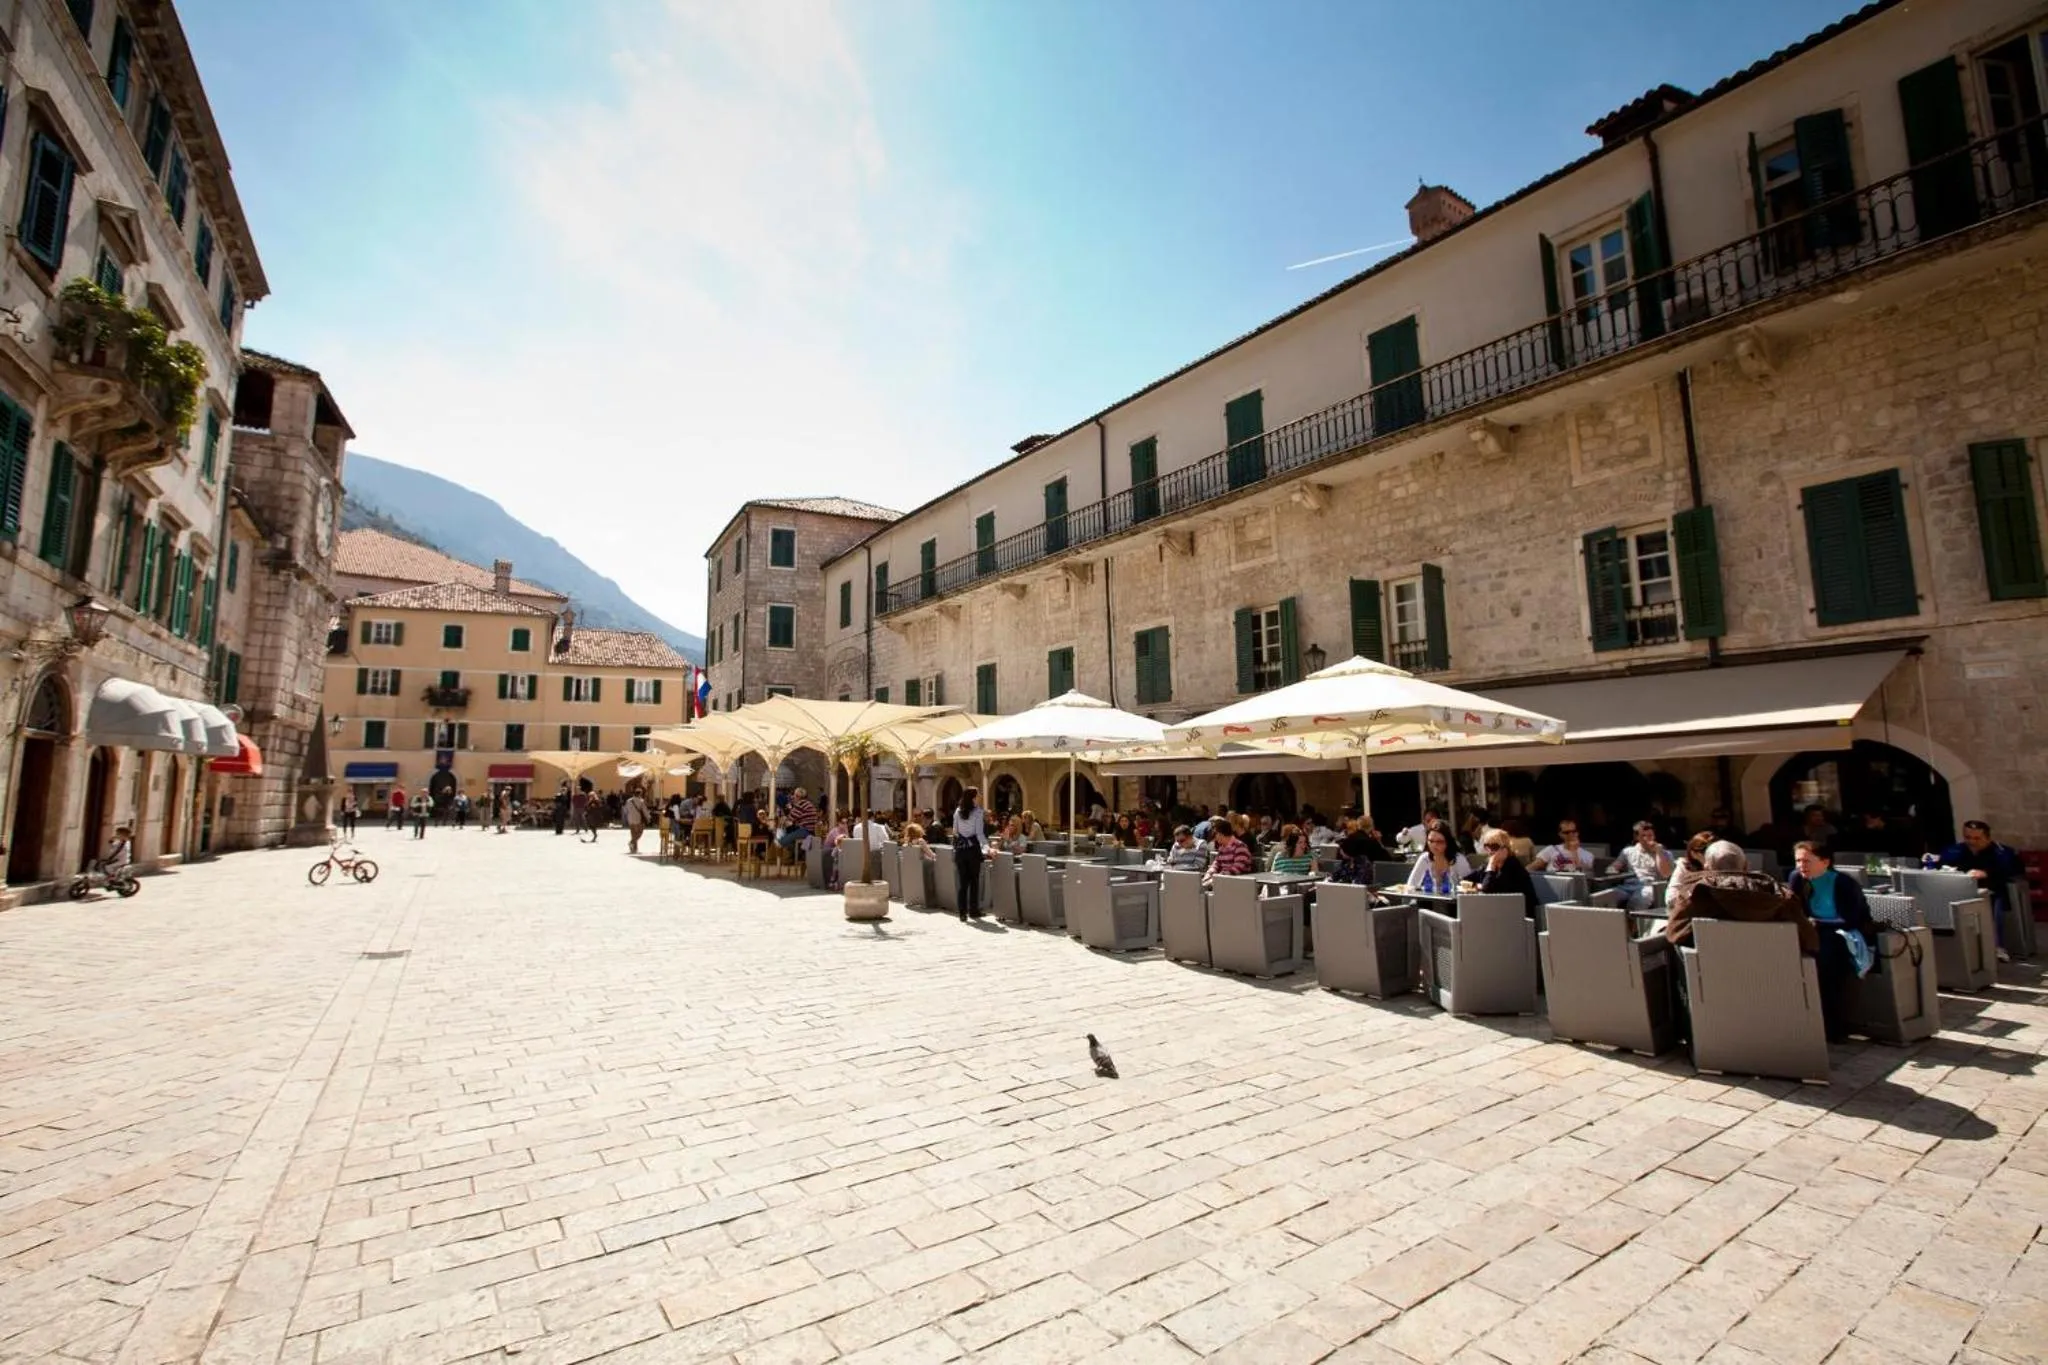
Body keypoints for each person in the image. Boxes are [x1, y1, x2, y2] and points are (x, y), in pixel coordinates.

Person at [1788, 842, 1876, 1042]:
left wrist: (1817, 923)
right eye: (1798, 861)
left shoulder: (1843, 883)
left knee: (1826, 952)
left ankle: (1833, 1027)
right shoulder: (1796, 879)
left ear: (1825, 862)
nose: (1802, 865)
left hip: (1845, 933)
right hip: (1812, 932)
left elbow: (1851, 919)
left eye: (1807, 861)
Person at [1665, 842, 1809, 948]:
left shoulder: (1694, 894)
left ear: (1707, 867)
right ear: (1746, 865)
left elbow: (1675, 935)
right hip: (1777, 972)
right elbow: (1807, 939)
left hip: (1713, 974)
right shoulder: (1780, 894)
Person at [1939, 820, 2025, 962]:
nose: (1972, 841)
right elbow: (1942, 864)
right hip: (1960, 891)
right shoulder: (1956, 851)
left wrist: (1986, 873)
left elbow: (2013, 870)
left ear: (1987, 838)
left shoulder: (2000, 852)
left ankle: (1997, 946)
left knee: (1993, 900)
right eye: (1968, 837)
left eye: (1977, 838)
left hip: (1992, 891)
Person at [1467, 828, 1539, 914]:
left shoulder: (1512, 866)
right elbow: (1466, 880)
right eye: (1487, 846)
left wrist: (1491, 864)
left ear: (1505, 849)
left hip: (1520, 914)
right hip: (1501, 911)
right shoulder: (1487, 865)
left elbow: (1487, 890)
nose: (1490, 851)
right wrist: (1479, 885)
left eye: (1494, 847)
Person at [1608, 821, 1673, 911]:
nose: (1647, 839)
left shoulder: (1665, 853)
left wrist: (1658, 852)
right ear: (1637, 837)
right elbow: (1615, 866)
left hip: (1651, 887)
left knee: (1640, 898)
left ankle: (1633, 924)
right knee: (1606, 896)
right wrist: (1612, 869)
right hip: (1628, 886)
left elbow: (1666, 874)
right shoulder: (1628, 851)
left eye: (1650, 835)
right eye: (1643, 836)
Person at [952, 788, 989, 922]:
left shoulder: (957, 811)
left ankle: (962, 913)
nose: (980, 795)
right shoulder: (978, 812)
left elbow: (955, 831)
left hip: (961, 849)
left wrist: (961, 841)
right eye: (978, 793)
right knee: (974, 881)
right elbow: (979, 834)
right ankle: (973, 911)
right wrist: (987, 848)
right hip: (973, 849)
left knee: (963, 882)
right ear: (973, 797)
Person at [1406, 827, 1471, 895]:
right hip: (1429, 902)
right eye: (1431, 841)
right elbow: (1411, 885)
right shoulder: (1425, 858)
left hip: (1455, 903)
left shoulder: (1459, 859)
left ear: (1448, 842)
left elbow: (1469, 887)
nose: (1434, 845)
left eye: (1439, 842)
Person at [1666, 830, 1717, 912]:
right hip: (1690, 913)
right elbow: (1670, 898)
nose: (1711, 855)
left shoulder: (1722, 863)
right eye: (1706, 852)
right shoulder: (1683, 868)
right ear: (1694, 854)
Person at [1531, 820, 1596, 873]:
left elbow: (1580, 872)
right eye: (1567, 832)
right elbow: (1533, 866)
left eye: (1573, 831)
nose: (1571, 834)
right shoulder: (1551, 849)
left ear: (1577, 833)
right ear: (1560, 834)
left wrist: (1574, 851)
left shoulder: (1587, 855)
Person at [778, 787, 818, 852]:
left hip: (805, 831)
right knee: (788, 833)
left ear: (798, 796)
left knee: (781, 841)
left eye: (794, 795)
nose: (792, 797)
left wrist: (785, 815)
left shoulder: (801, 804)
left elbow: (790, 818)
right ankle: (797, 854)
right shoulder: (808, 803)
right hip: (811, 831)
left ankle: (796, 854)